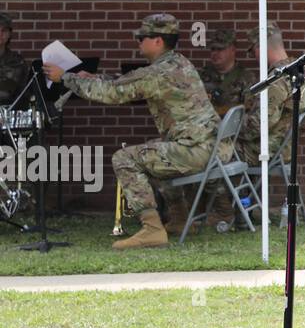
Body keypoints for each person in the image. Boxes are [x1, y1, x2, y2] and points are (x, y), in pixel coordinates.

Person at [44, 13, 226, 249]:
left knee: (124, 158)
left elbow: (113, 93)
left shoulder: (157, 73)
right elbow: (124, 84)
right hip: (209, 147)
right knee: (154, 153)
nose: (138, 42)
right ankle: (180, 220)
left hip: (196, 150)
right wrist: (94, 78)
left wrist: (64, 78)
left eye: (142, 37)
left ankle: (152, 229)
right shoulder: (177, 63)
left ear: (158, 40)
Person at [207, 20, 304, 230]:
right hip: (282, 147)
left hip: (266, 148)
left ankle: (227, 214)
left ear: (262, 47)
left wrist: (224, 132)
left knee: (211, 152)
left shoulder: (276, 80)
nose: (253, 56)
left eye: (253, 50)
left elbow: (256, 127)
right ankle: (244, 210)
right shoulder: (296, 72)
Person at [199, 27, 255, 116]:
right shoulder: (201, 75)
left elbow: (249, 109)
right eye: (213, 49)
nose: (215, 53)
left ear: (233, 50)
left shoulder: (246, 77)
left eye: (220, 49)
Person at [0, 13, 32, 106]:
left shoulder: (18, 61)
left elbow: (25, 93)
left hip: (10, 113)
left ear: (9, 34)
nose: (0, 34)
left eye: (4, 30)